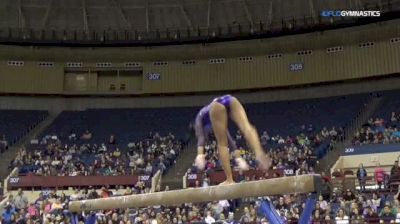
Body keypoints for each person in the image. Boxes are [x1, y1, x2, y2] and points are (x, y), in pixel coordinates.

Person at [194, 95, 270, 185]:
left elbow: (201, 137)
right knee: (246, 127)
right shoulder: (211, 120)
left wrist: (199, 154)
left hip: (216, 106)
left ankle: (229, 179)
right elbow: (228, 136)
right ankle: (259, 152)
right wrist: (238, 158)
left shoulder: (199, 120)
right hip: (230, 99)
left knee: (222, 144)